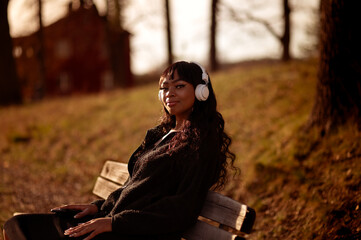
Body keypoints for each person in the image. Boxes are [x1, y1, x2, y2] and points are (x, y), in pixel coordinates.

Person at [3, 61, 237, 240]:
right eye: (165, 87)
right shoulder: (161, 135)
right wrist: (98, 207)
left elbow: (181, 209)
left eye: (179, 86)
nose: (170, 93)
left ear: (200, 93)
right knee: (17, 225)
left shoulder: (200, 145)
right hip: (111, 221)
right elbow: (135, 186)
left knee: (23, 230)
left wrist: (114, 223)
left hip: (131, 233)